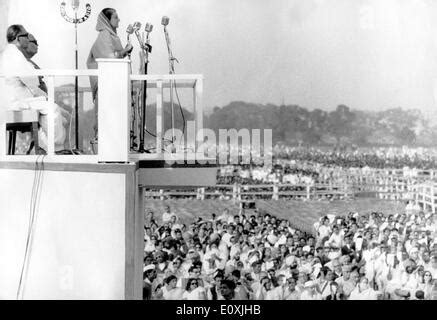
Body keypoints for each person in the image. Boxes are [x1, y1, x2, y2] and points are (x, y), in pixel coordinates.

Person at [1, 25, 68, 153]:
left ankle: (47, 147)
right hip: (16, 102)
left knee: (47, 111)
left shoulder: (8, 53)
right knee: (52, 109)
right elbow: (32, 80)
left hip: (13, 100)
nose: (28, 38)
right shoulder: (15, 56)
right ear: (17, 38)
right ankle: (55, 149)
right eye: (25, 36)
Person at [86, 8, 133, 139]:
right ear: (107, 20)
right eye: (115, 17)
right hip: (105, 83)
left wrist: (124, 51)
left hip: (111, 82)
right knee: (105, 117)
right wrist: (125, 51)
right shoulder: (105, 34)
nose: (119, 20)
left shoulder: (111, 34)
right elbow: (109, 59)